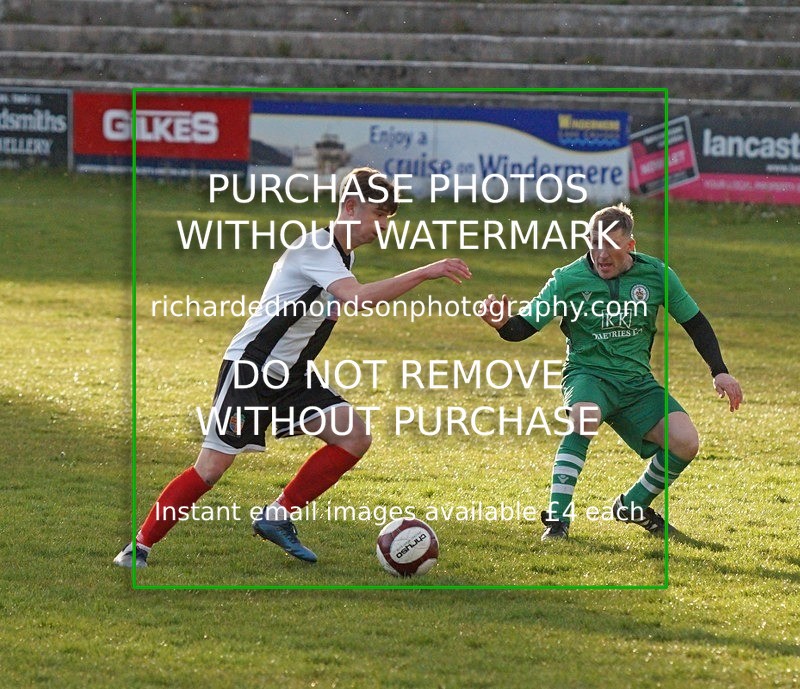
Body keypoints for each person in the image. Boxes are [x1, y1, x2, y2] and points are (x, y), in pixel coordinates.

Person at [115, 166, 471, 567]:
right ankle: (138, 547)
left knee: (353, 437)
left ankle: (277, 514)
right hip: (253, 368)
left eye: (387, 217)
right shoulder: (316, 248)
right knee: (211, 468)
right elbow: (358, 299)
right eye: (378, 214)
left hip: (292, 373)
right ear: (350, 207)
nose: (383, 225)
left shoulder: (342, 255)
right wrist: (426, 271)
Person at [481, 203, 742, 541]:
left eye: (610, 246)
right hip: (588, 375)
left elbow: (695, 323)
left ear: (630, 245)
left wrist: (719, 371)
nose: (601, 255)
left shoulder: (657, 275)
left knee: (685, 442)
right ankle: (557, 520)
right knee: (585, 418)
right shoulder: (567, 279)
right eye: (594, 244)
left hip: (637, 383)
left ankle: (633, 505)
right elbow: (522, 327)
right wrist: (503, 323)